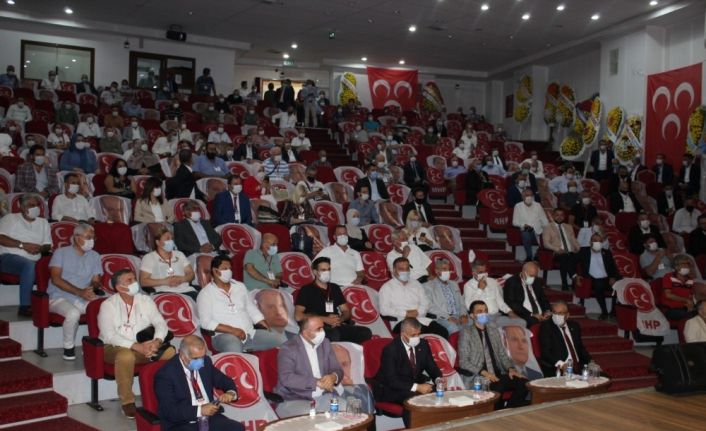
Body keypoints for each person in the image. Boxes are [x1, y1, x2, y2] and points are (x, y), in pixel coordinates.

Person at [98, 269, 175, 418]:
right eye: (129, 280)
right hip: (114, 347)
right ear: (119, 287)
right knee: (126, 356)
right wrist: (136, 346)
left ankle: (167, 395)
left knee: (170, 352)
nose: (135, 282)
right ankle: (127, 401)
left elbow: (160, 323)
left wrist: (157, 341)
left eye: (134, 279)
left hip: (144, 345)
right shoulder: (108, 305)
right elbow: (109, 335)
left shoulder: (145, 300)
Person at [274, 316, 373, 418]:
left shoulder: (325, 343)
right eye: (318, 329)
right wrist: (316, 382)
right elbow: (286, 378)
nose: (322, 332)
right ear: (306, 333)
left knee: (347, 410)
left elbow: (337, 369)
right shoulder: (288, 348)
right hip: (294, 399)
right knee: (312, 418)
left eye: (322, 327)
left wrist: (333, 377)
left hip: (322, 397)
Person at [197, 256, 285, 353]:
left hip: (249, 333)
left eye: (230, 268)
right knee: (233, 345)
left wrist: (265, 325)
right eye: (225, 269)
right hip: (224, 336)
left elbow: (252, 310)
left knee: (280, 339)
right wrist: (234, 330)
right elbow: (206, 322)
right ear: (215, 271)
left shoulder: (240, 286)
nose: (229, 271)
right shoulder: (205, 293)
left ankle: (247, 349)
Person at [155, 335, 243, 431]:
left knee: (237, 428)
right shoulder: (165, 374)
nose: (201, 362)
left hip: (209, 418)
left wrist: (230, 393)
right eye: (196, 358)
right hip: (182, 423)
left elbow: (223, 380)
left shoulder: (206, 362)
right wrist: (200, 410)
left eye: (203, 356)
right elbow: (170, 410)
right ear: (182, 355)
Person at [458, 301, 529, 408]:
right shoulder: (466, 333)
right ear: (472, 316)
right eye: (480, 311)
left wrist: (511, 369)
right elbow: (463, 362)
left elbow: (502, 354)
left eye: (485, 311)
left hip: (497, 375)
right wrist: (484, 373)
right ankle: (498, 411)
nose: (484, 313)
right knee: (497, 388)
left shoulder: (494, 331)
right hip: (479, 377)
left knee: (524, 383)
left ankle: (508, 409)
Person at [373, 317, 442, 426]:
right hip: (390, 389)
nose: (417, 338)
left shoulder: (423, 344)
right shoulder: (390, 349)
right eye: (413, 335)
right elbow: (392, 381)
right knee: (414, 398)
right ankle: (414, 427)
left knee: (438, 392)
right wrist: (417, 387)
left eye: (418, 334)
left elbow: (431, 366)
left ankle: (436, 426)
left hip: (411, 384)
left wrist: (438, 379)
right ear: (402, 333)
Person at [47, 223, 101, 360]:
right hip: (58, 296)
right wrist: (79, 292)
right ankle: (68, 348)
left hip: (83, 296)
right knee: (73, 313)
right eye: (88, 237)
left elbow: (96, 280)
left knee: (103, 308)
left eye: (93, 238)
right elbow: (56, 279)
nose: (92, 241)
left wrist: (91, 289)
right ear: (77, 238)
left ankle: (92, 345)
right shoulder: (61, 253)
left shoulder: (95, 256)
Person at [295, 257, 372, 343]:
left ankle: (348, 349)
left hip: (335, 326)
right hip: (317, 327)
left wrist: (340, 319)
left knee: (365, 332)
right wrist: (324, 319)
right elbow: (298, 316)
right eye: (323, 270)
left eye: (328, 269)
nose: (327, 272)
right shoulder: (306, 289)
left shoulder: (335, 288)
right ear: (315, 272)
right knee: (333, 334)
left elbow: (346, 311)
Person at [0, 194, 51, 316]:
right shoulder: (10, 218)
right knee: (29, 266)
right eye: (31, 205)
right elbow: (1, 238)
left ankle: (51, 303)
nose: (35, 208)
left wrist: (39, 249)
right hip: (9, 258)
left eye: (37, 205)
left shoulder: (43, 222)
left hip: (35, 259)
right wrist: (23, 245)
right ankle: (25, 306)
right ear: (22, 207)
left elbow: (47, 245)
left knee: (56, 264)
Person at [379, 257, 448, 338]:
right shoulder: (387, 287)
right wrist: (406, 313)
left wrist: (418, 312)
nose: (405, 271)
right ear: (394, 270)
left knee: (443, 332)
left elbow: (426, 302)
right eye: (401, 269)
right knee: (419, 334)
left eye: (407, 268)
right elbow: (384, 310)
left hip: (420, 318)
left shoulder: (416, 284)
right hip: (401, 321)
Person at [139, 227, 198, 299]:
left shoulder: (179, 254)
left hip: (186, 291)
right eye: (167, 239)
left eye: (171, 239)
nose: (171, 241)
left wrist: (182, 279)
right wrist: (165, 281)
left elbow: (191, 274)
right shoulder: (149, 257)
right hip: (164, 292)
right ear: (158, 242)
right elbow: (143, 281)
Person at [539, 300, 592, 377]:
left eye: (560, 313)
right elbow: (546, 353)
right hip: (560, 368)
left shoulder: (574, 326)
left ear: (567, 315)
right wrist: (562, 365)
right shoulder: (546, 327)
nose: (556, 315)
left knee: (601, 377)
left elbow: (580, 348)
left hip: (578, 366)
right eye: (554, 312)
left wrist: (591, 361)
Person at [579, 234, 621, 319]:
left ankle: (614, 309)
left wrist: (613, 277)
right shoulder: (584, 252)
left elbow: (613, 268)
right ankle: (604, 311)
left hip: (606, 279)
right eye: (595, 240)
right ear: (590, 242)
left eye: (600, 241)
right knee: (599, 285)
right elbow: (571, 262)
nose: (597, 243)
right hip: (591, 279)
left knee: (620, 283)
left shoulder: (607, 253)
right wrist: (575, 275)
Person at [423, 259, 468, 335]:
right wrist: (448, 317)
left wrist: (463, 315)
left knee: (474, 323)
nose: (447, 272)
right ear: (437, 271)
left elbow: (461, 303)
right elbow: (430, 306)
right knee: (453, 328)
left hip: (459, 315)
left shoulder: (454, 284)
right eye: (444, 269)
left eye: (448, 269)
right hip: (442, 317)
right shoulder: (428, 286)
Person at [542, 208, 580, 291]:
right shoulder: (548, 227)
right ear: (553, 216)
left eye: (561, 215)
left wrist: (577, 248)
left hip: (571, 251)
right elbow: (546, 243)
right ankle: (570, 279)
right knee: (564, 257)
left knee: (581, 255)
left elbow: (574, 240)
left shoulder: (569, 226)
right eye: (557, 215)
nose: (559, 217)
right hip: (558, 252)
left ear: (564, 216)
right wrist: (557, 249)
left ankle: (574, 279)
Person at [503, 261, 551, 326]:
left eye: (535, 276)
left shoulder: (537, 281)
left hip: (540, 313)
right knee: (534, 321)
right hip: (523, 313)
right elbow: (511, 303)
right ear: (523, 272)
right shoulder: (512, 282)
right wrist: (531, 314)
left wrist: (547, 311)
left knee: (552, 318)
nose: (533, 278)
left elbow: (543, 298)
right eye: (531, 275)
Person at [512, 188, 549, 262]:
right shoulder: (518, 206)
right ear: (522, 196)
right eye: (527, 195)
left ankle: (537, 255)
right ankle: (529, 256)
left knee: (549, 234)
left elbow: (545, 220)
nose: (529, 197)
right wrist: (523, 225)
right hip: (526, 230)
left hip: (538, 230)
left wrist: (547, 229)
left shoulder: (538, 205)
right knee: (525, 234)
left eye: (531, 195)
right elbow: (514, 222)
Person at [660, 255, 697, 321]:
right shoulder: (668, 276)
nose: (686, 266)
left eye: (688, 264)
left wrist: (691, 304)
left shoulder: (690, 280)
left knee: (700, 313)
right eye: (683, 263)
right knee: (691, 316)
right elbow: (668, 295)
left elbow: (690, 296)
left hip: (684, 308)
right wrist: (686, 300)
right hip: (670, 309)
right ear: (676, 266)